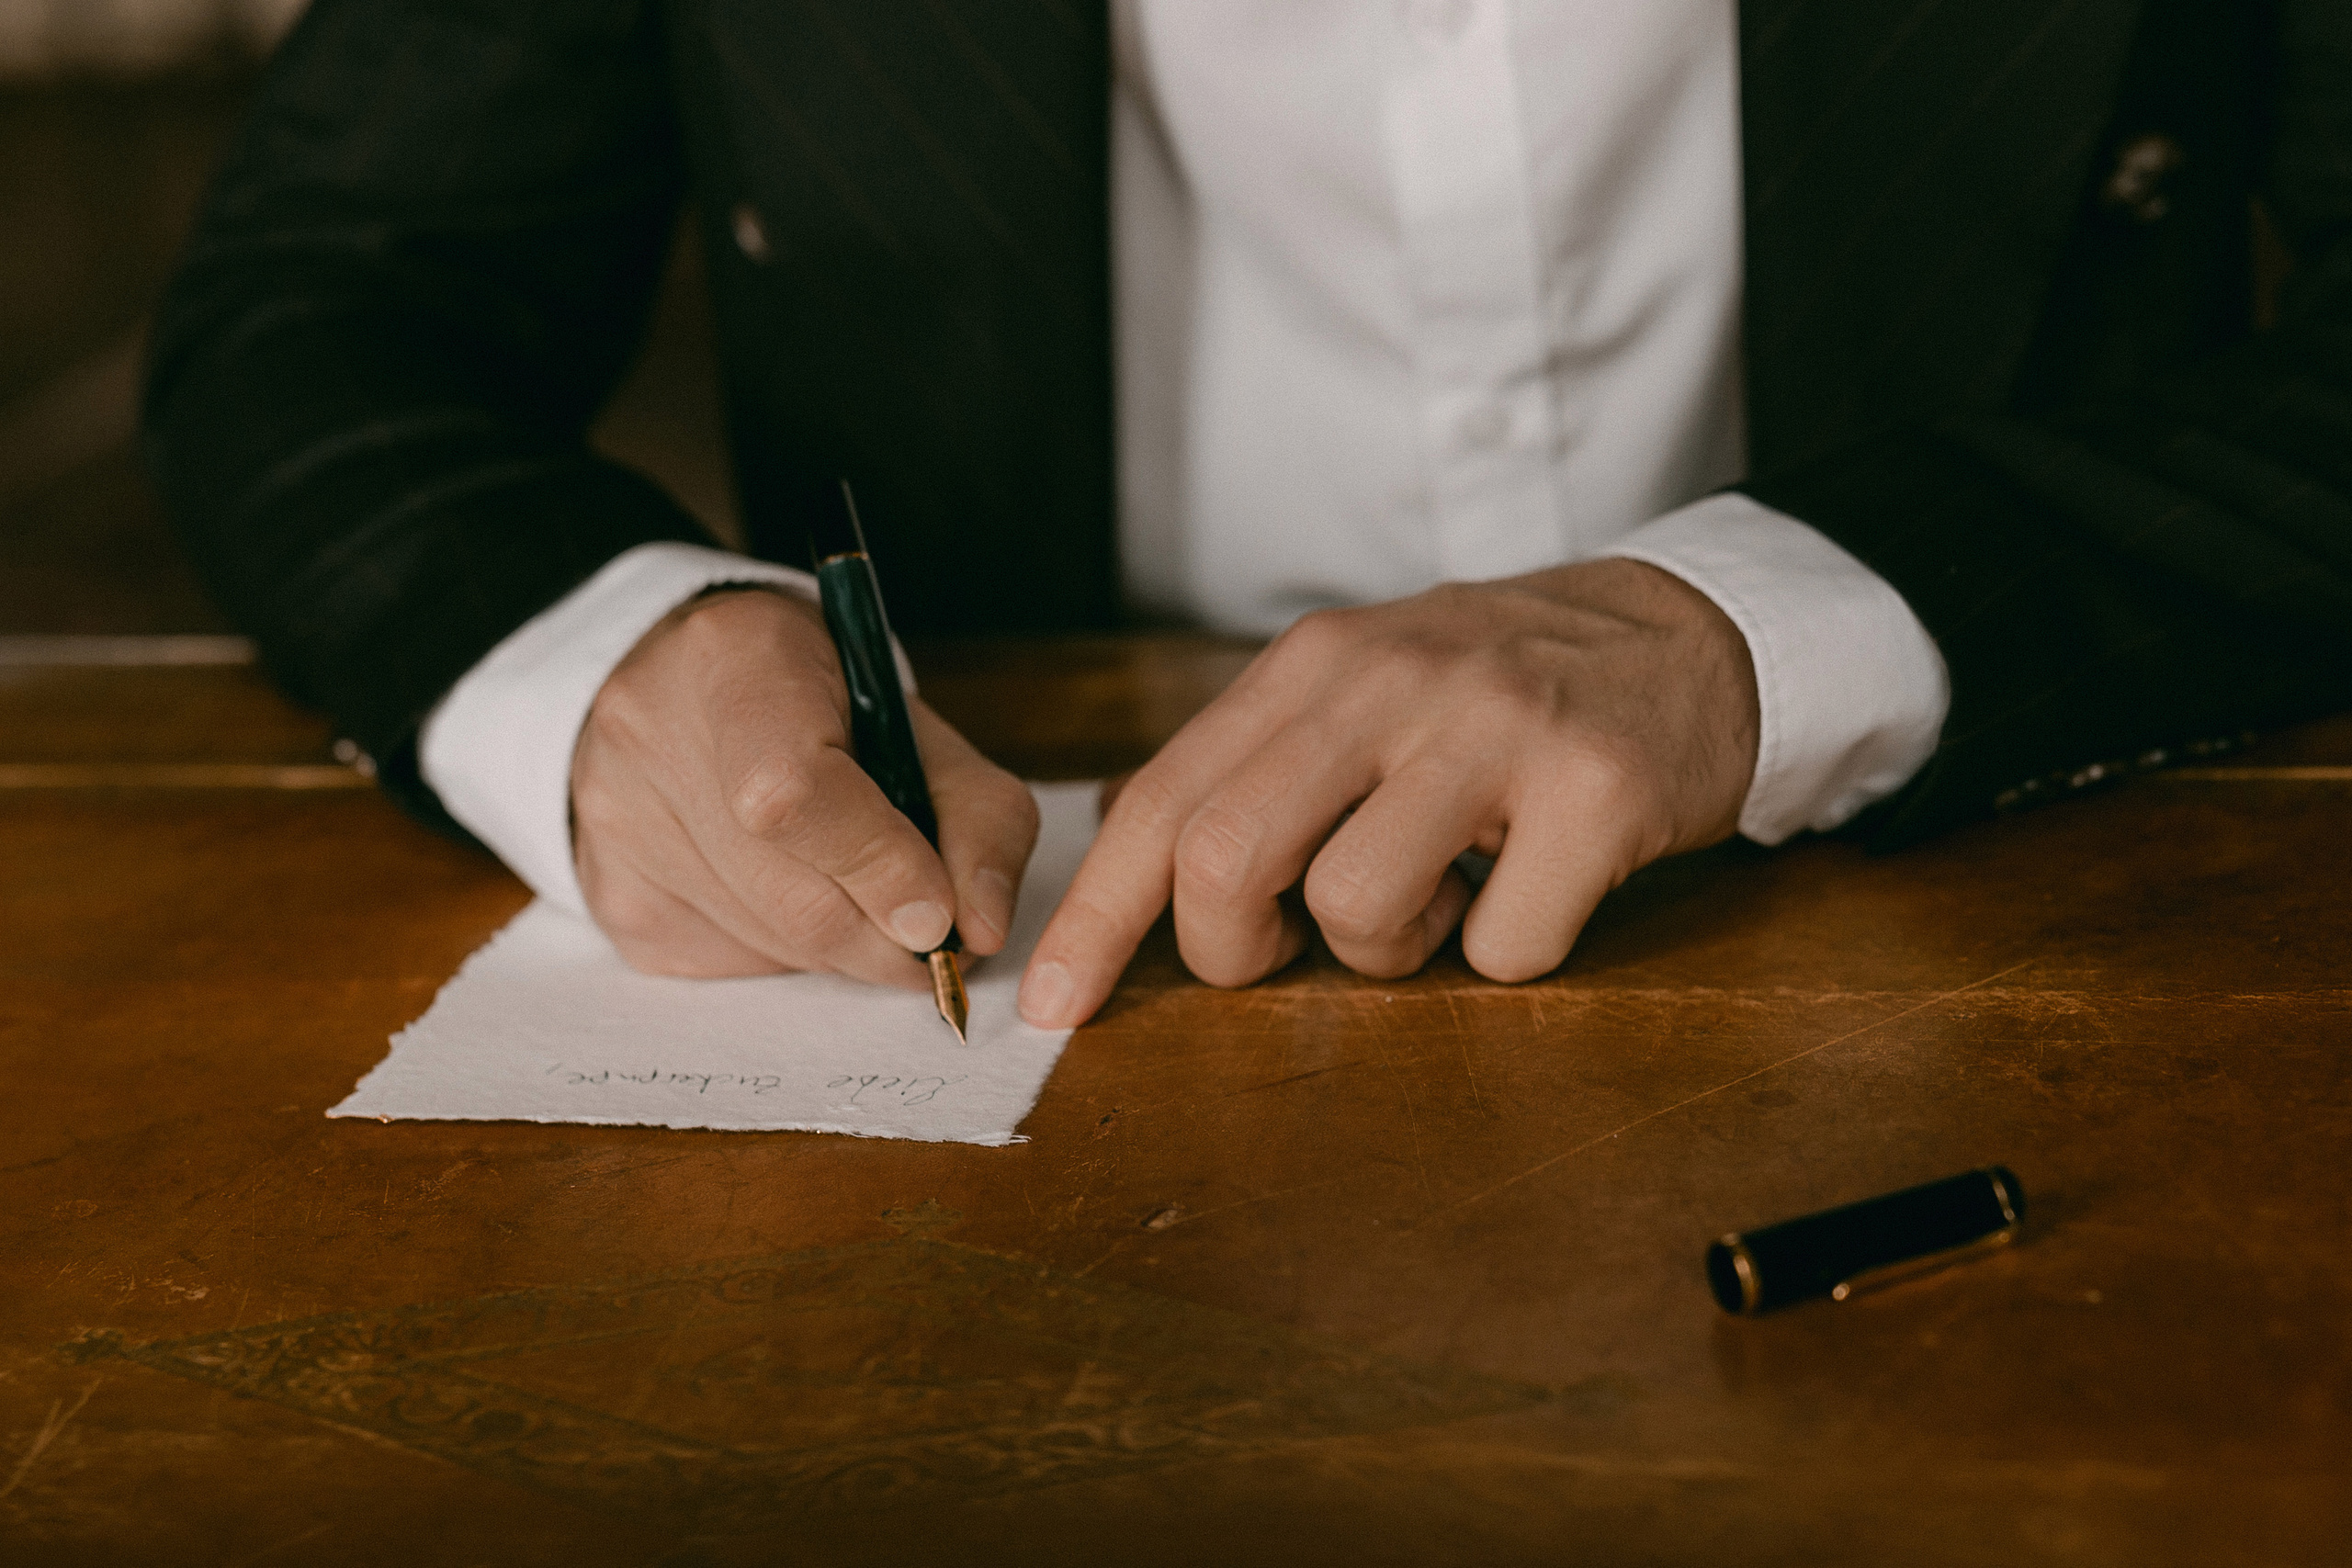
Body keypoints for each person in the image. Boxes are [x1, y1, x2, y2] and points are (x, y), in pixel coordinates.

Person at [147, 1, 2352, 1031]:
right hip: (1039, 1014)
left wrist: (1759, 630)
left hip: (2015, 937)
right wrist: (593, 650)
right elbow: (331, 300)